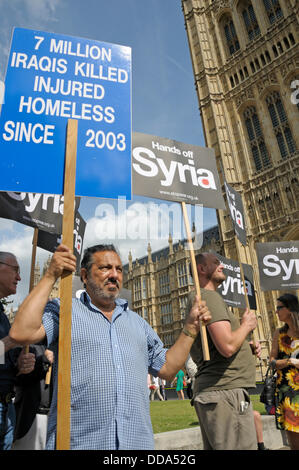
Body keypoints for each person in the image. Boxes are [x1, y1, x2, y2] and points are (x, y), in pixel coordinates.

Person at [9, 244, 211, 450]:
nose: (114, 274)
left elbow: (168, 369)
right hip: (80, 444)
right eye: (105, 268)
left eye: (119, 269)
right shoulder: (65, 311)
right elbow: (21, 333)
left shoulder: (138, 322)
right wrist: (50, 275)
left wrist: (190, 329)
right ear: (85, 276)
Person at [187, 252, 260, 450]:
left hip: (219, 394)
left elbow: (219, 345)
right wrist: (246, 325)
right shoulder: (208, 296)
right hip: (224, 393)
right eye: (216, 262)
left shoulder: (206, 297)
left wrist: (246, 345)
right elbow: (227, 346)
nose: (222, 266)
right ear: (201, 269)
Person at [0, 251, 36, 450]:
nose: (20, 277)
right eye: (15, 270)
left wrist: (21, 365)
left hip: (7, 406)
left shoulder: (3, 316)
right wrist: (13, 339)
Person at [269, 293, 299, 450]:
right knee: (294, 442)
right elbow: (272, 362)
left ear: (290, 309)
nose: (276, 311)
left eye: (279, 307)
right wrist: (289, 361)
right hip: (288, 392)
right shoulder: (279, 334)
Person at [12, 346, 54, 450]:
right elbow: (20, 377)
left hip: (58, 418)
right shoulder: (28, 343)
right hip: (33, 418)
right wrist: (44, 360)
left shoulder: (64, 344)